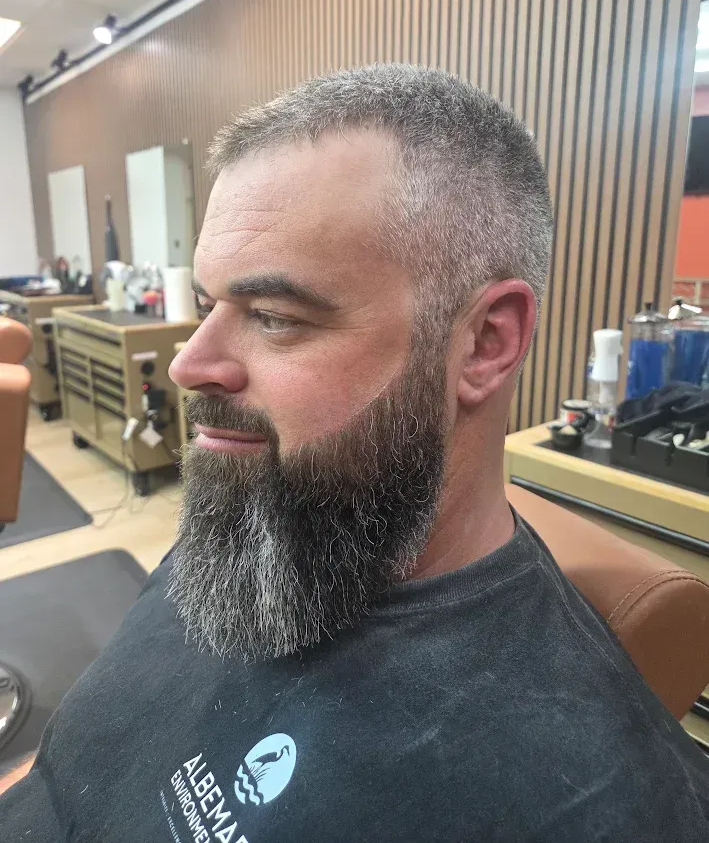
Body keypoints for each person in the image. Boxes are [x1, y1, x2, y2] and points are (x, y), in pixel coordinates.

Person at [1, 64, 708, 842]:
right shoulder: (263, 523)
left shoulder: (599, 801)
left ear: (484, 342)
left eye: (272, 315)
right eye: (209, 304)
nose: (188, 362)